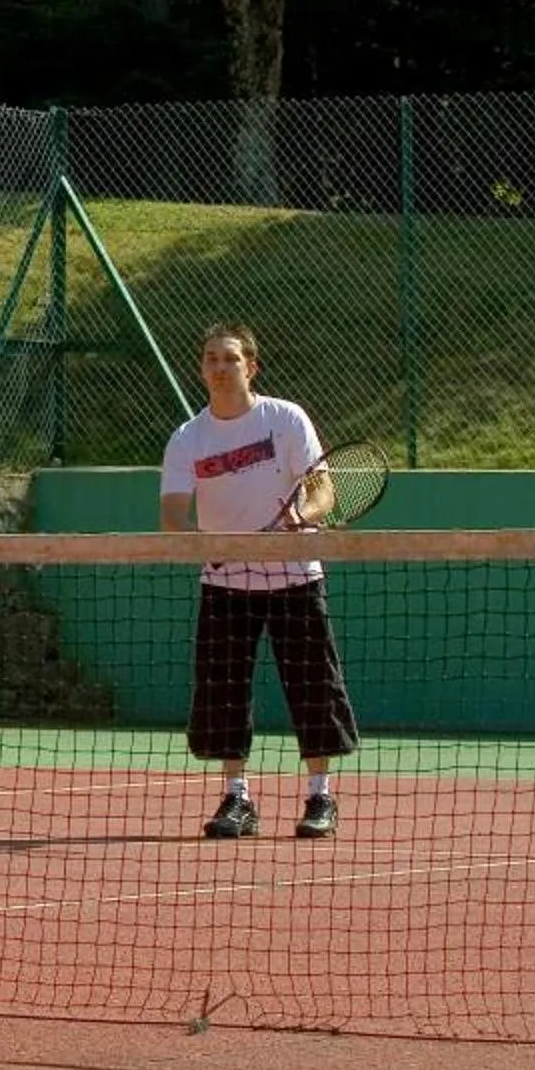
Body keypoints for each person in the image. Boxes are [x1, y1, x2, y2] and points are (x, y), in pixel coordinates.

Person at [157, 322, 358, 842]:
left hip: (294, 576)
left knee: (314, 688)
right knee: (224, 692)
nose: (220, 368)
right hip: (226, 583)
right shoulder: (187, 439)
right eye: (211, 359)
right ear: (202, 369)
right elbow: (174, 518)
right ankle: (237, 798)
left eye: (230, 358)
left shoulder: (285, 419)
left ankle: (319, 795)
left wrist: (302, 518)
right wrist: (210, 544)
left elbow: (322, 491)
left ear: (251, 365)